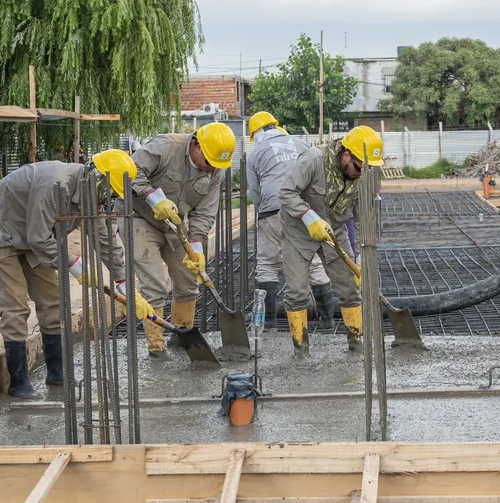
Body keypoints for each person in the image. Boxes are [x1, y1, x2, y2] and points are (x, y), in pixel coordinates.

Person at [0, 150, 153, 398]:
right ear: (98, 179)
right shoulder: (56, 184)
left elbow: (106, 240)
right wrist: (76, 265)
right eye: (109, 192)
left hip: (35, 235)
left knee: (51, 303)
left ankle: (57, 373)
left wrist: (125, 284)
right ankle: (19, 382)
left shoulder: (90, 196)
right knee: (15, 305)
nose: (108, 199)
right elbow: (38, 238)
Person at [128, 122, 235, 357]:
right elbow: (130, 169)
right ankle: (156, 345)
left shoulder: (214, 170)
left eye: (216, 165)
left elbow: (205, 212)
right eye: (209, 162)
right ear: (196, 144)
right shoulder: (166, 146)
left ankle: (182, 334)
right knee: (155, 283)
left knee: (188, 280)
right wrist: (153, 197)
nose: (211, 169)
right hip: (140, 217)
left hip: (176, 224)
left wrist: (196, 247)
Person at [279, 126, 383, 356]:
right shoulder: (314, 160)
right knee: (297, 291)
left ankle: (356, 344)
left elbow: (365, 216)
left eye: (367, 169)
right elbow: (286, 192)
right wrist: (308, 216)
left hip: (334, 231)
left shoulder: (364, 173)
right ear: (346, 155)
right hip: (299, 231)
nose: (361, 174)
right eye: (358, 167)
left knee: (350, 289)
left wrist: (362, 255)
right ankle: (301, 350)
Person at [246, 111, 339, 331]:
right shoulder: (301, 143)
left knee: (268, 264)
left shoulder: (256, 152)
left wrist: (264, 217)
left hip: (272, 208)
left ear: (256, 133)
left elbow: (255, 192)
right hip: (302, 210)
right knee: (313, 261)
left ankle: (267, 324)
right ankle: (327, 321)